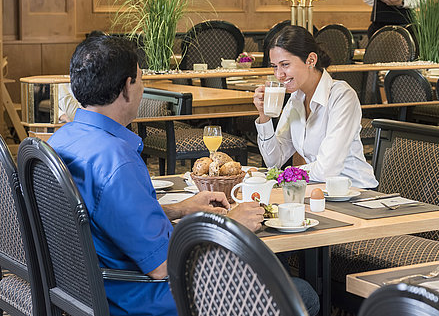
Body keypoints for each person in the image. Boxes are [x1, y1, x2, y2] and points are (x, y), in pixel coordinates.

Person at [48, 34, 319, 316]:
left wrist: (179, 209)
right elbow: (164, 267)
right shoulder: (116, 162)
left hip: (86, 292)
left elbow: (103, 216)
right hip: (148, 299)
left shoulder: (62, 140)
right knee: (300, 294)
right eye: (141, 79)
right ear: (128, 87)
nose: (142, 87)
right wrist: (230, 225)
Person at [253, 25, 378, 189]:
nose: (278, 75)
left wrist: (285, 175)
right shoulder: (295, 100)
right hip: (318, 190)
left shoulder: (342, 96)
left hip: (357, 192)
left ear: (311, 60)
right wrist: (264, 117)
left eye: (285, 65)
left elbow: (326, 170)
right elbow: (274, 161)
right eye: (275, 66)